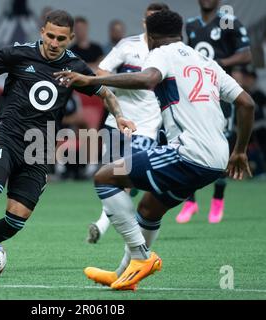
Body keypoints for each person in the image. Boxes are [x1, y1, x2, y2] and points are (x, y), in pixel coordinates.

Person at [54, 9, 254, 290]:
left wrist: (91, 81)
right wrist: (240, 151)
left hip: (189, 154)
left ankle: (140, 256)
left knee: (105, 176)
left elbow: (147, 79)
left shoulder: (161, 51)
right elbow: (246, 103)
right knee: (149, 207)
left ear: (151, 36)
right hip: (217, 159)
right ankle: (125, 273)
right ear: (180, 33)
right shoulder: (207, 62)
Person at [0, 10, 135, 257]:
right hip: (7, 135)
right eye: (50, 36)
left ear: (70, 38)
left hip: (38, 148)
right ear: (42, 32)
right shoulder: (19, 53)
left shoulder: (75, 67)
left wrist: (119, 116)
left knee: (15, 221)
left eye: (60, 39)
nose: (54, 43)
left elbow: (105, 93)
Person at [86, 2, 169, 244]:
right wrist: (117, 88)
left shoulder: (170, 53)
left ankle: (103, 225)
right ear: (144, 22)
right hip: (116, 122)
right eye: (149, 19)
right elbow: (101, 72)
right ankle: (123, 227)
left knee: (124, 174)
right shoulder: (128, 46)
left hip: (147, 126)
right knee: (112, 176)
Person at [177, 0, 252, 223]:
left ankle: (218, 199)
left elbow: (246, 54)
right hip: (195, 92)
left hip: (221, 91)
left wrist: (218, 62)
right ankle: (189, 201)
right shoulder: (190, 25)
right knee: (188, 140)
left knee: (223, 142)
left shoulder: (228, 22)